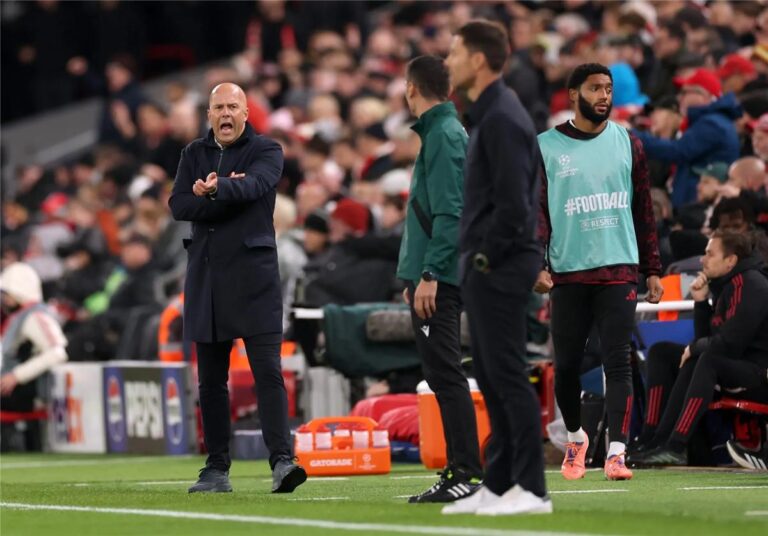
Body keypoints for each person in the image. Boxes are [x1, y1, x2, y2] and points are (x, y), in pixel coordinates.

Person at [169, 82, 306, 494]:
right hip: (207, 278)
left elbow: (256, 186)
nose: (225, 114)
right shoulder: (192, 153)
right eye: (218, 108)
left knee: (268, 373)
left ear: (246, 113)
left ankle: (283, 461)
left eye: (232, 106)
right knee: (211, 381)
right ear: (209, 115)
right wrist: (222, 193)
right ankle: (216, 468)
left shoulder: (268, 150)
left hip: (253, 279)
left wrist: (215, 190)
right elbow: (179, 205)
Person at [534, 63, 664, 482]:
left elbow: (644, 209)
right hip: (569, 271)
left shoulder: (629, 142)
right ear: (574, 95)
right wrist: (538, 263)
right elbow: (538, 212)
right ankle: (576, 438)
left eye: (608, 89)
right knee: (567, 367)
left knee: (618, 362)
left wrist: (652, 269)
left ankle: (617, 453)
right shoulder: (545, 147)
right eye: (595, 89)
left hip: (619, 268)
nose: (604, 96)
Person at [442, 20, 551, 516]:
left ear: (479, 59)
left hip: (501, 264)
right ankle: (500, 482)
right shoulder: (490, 113)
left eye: (455, 52)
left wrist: (485, 257)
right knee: (489, 375)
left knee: (506, 375)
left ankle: (532, 488)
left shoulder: (503, 117)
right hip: (489, 263)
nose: (449, 62)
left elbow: (513, 205)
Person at [397, 55, 482, 503]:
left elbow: (451, 211)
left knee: (446, 375)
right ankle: (461, 470)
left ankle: (466, 472)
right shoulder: (441, 131)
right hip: (433, 273)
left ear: (411, 87)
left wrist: (430, 272)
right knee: (442, 373)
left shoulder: (445, 134)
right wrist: (415, 273)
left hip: (441, 276)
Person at [630, 231, 768, 466]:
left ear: (730, 260)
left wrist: (696, 348)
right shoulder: (728, 283)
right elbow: (708, 338)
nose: (703, 260)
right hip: (734, 365)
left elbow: (730, 343)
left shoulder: (751, 283)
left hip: (758, 376)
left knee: (706, 359)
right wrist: (701, 302)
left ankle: (676, 446)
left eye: (710, 254)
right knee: (661, 353)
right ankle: (652, 440)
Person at [1, 262, 68, 451]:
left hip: (27, 392)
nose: (4, 299)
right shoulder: (22, 316)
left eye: (7, 294)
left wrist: (16, 376)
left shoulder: (35, 316)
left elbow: (57, 352)